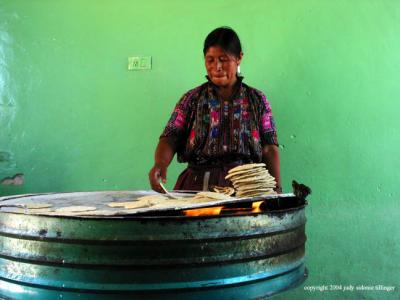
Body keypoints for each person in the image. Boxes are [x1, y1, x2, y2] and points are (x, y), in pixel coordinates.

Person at [149, 27, 281, 193]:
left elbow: (269, 148)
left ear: (239, 58)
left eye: (223, 59)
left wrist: (277, 189)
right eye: (210, 60)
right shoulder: (191, 99)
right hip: (197, 189)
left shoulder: (257, 99)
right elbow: (170, 137)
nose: (217, 67)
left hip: (246, 188)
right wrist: (160, 164)